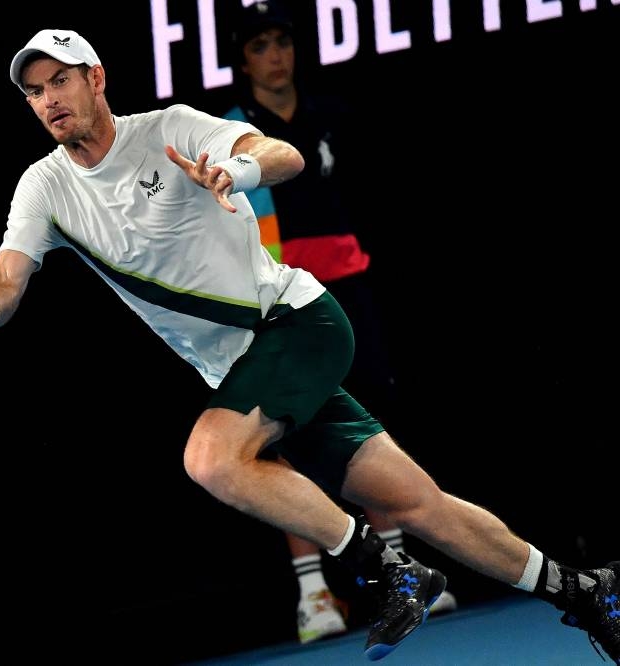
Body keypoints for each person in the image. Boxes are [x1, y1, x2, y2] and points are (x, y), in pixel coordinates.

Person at [0, 27, 619, 663]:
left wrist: (237, 171)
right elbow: (6, 278)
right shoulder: (44, 186)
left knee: (211, 458)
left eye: (60, 80)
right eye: (35, 91)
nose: (49, 100)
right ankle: (583, 592)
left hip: (296, 323)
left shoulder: (172, 128)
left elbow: (276, 154)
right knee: (415, 501)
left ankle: (388, 571)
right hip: (249, 363)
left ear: (96, 78)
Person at [221, 0, 458, 644]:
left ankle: (402, 570)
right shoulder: (231, 132)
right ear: (243, 61)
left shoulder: (336, 119)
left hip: (350, 290)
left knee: (370, 425)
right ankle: (313, 593)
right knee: (284, 438)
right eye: (260, 46)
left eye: (282, 42)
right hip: (281, 300)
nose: (276, 55)